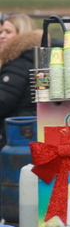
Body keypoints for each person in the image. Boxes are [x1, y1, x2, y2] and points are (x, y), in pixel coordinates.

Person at [0, 14, 40, 149]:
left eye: (8, 32)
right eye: (1, 32)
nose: (2, 36)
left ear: (22, 34)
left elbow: (3, 101)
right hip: (31, 131)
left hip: (18, 133)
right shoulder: (33, 58)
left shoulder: (17, 65)